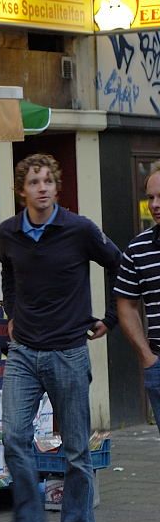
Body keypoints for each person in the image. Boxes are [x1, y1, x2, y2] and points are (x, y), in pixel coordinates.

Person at [0, 153, 121, 522]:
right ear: (22, 191)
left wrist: (112, 318)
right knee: (14, 435)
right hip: (23, 352)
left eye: (48, 181)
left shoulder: (79, 229)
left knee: (74, 449)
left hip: (68, 351)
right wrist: (10, 312)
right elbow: (8, 274)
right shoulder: (9, 232)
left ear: (56, 186)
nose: (43, 188)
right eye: (34, 182)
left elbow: (121, 266)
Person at [115, 169, 160, 434]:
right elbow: (126, 305)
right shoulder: (138, 249)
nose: (154, 205)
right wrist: (147, 357)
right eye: (150, 197)